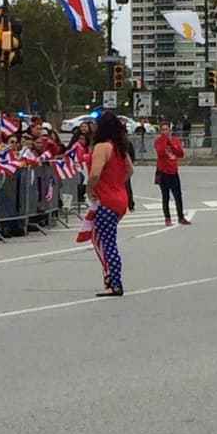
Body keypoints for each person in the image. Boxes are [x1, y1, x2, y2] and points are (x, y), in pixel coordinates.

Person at [85, 111, 133, 296]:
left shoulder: (102, 147)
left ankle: (113, 281)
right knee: (105, 238)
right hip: (120, 197)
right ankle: (111, 278)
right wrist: (117, 182)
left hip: (106, 200)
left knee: (106, 242)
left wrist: (91, 189)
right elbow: (129, 170)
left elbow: (95, 173)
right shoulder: (120, 147)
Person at [153, 120, 189, 226]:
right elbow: (161, 152)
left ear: (170, 130)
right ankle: (167, 217)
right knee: (165, 197)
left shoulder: (175, 140)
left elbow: (180, 153)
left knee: (178, 196)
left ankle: (181, 217)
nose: (165, 131)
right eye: (163, 130)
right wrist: (165, 141)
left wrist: (172, 144)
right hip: (163, 172)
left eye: (167, 129)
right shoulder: (158, 141)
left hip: (174, 172)